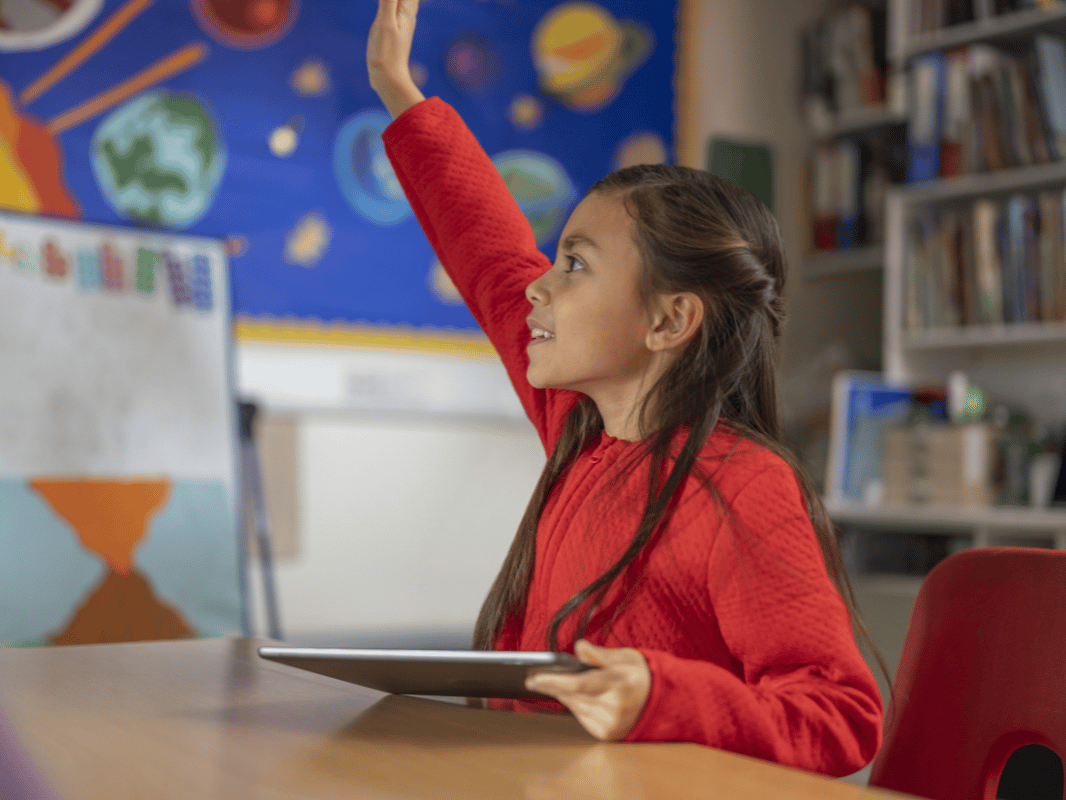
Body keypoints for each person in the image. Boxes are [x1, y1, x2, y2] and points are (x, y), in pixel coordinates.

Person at [366, 0, 883, 776]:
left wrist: (664, 697)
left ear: (670, 319)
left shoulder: (742, 487)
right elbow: (489, 250)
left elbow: (840, 717)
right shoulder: (580, 427)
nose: (538, 288)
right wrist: (399, 93)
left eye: (573, 264)